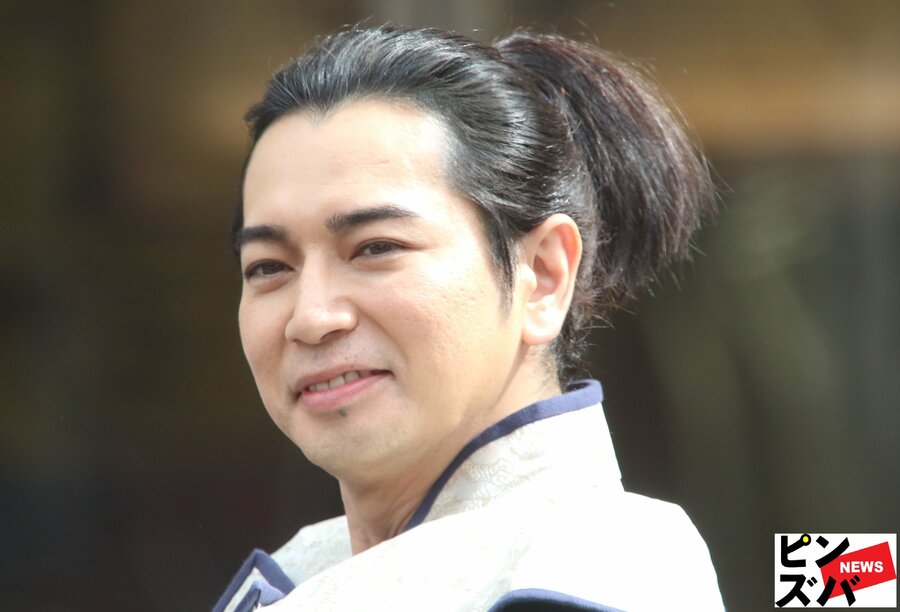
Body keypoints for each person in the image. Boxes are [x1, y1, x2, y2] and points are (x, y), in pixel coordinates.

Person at [214, 24, 723, 611]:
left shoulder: (587, 571)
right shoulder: (313, 566)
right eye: (268, 267)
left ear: (543, 275)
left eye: (376, 247)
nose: (311, 317)